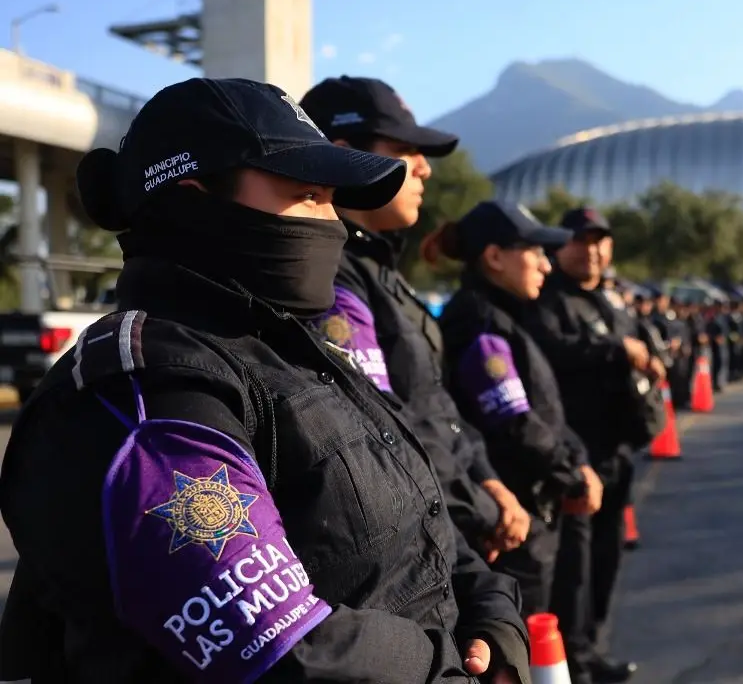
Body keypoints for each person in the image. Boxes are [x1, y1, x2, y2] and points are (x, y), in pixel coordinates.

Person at [0, 78, 527, 683]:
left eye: (333, 198)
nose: (333, 222)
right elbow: (280, 649)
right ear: (194, 201)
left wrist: (491, 611)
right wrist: (447, 666)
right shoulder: (145, 388)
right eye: (307, 194)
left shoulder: (298, 350)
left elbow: (417, 508)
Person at [297, 76, 531, 562]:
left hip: (456, 521)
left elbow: (435, 405)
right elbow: (383, 430)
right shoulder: (331, 279)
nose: (424, 168)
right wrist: (478, 511)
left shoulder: (381, 272)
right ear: (344, 154)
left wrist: (488, 479)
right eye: (405, 149)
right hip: (423, 540)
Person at [430, 201, 604, 624]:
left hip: (534, 507)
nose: (546, 266)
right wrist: (574, 471)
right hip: (513, 520)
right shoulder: (479, 320)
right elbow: (512, 421)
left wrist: (575, 458)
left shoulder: (505, 314)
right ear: (494, 257)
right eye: (535, 252)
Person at [526, 208, 657, 684]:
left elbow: (640, 339)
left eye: (601, 241)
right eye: (582, 241)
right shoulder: (548, 299)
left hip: (619, 448)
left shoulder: (611, 300)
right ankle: (576, 662)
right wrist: (617, 350)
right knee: (572, 568)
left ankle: (591, 646)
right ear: (560, 247)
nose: (593, 250)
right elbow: (554, 352)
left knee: (607, 557)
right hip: (577, 454)